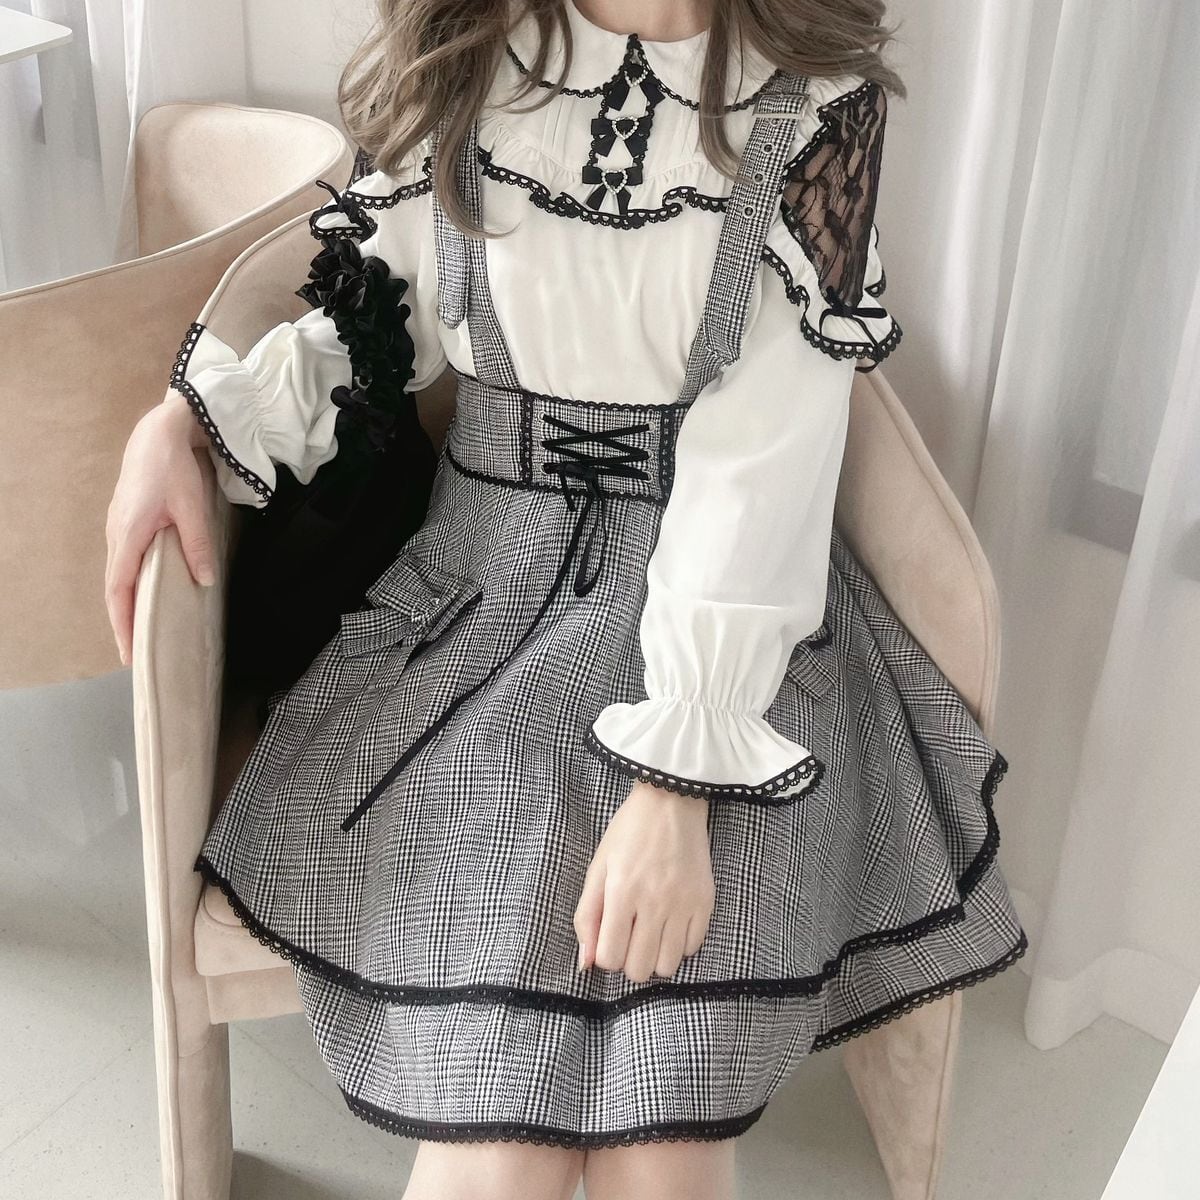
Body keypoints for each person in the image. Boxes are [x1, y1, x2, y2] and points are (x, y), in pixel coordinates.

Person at [105, 1, 1028, 1196]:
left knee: (665, 1142)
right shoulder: (468, 57)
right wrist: (187, 421)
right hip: (481, 610)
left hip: (732, 633)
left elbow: (765, 467)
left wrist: (676, 785)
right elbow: (373, 322)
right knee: (498, 1146)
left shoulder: (812, 103)